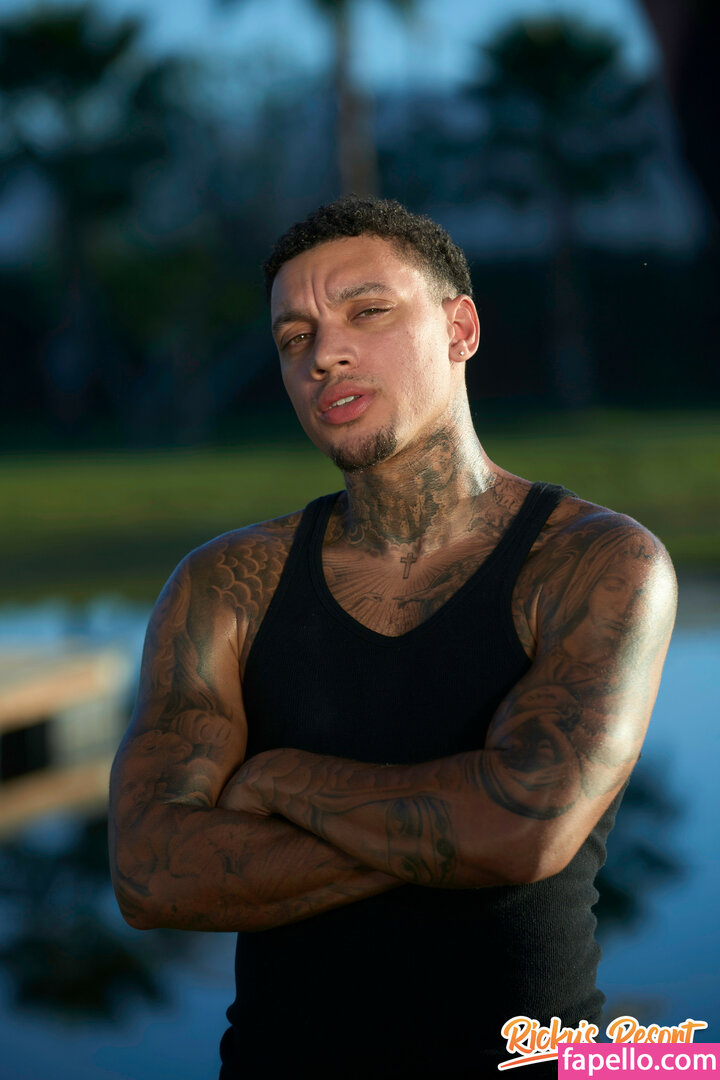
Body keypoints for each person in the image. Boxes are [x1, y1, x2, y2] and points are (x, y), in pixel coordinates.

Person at [108, 196, 677, 1078]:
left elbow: (525, 833)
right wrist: (467, 827)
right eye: (295, 337)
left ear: (461, 329)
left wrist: (278, 781)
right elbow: (150, 873)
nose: (324, 353)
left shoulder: (595, 562)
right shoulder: (225, 586)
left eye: (367, 312)